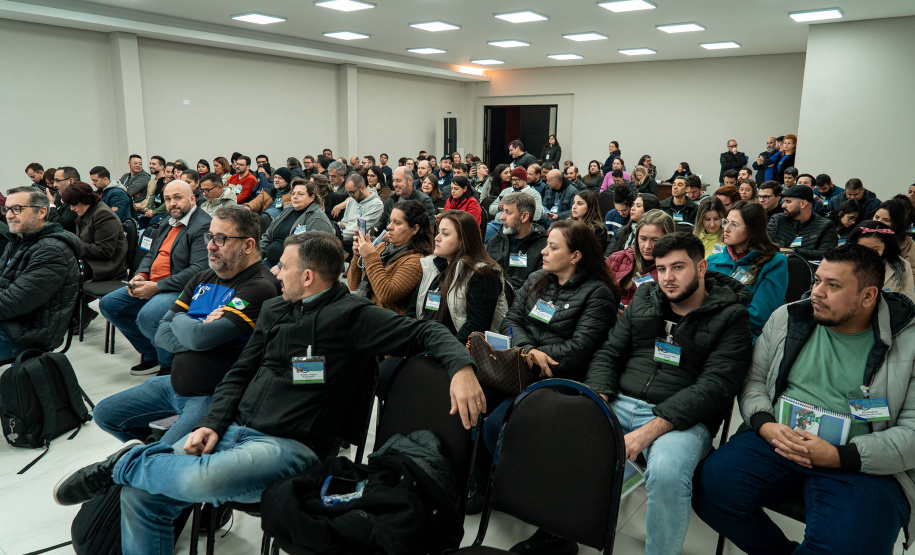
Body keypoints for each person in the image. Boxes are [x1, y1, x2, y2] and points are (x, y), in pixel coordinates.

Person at [53, 231, 486, 555]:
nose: (275, 271)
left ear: (309, 276)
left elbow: (426, 329)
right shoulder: (277, 308)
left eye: (284, 266)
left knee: (199, 477)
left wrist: (461, 366)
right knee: (142, 495)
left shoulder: (352, 316)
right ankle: (130, 468)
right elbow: (240, 372)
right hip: (236, 430)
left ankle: (123, 462)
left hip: (291, 447)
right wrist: (212, 423)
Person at [693, 244, 915, 555]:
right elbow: (754, 380)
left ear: (868, 296)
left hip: (862, 461)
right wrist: (765, 424)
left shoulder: (908, 342)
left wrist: (840, 456)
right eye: (816, 281)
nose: (816, 293)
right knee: (708, 490)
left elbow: (911, 434)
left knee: (851, 545)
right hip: (778, 439)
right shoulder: (789, 318)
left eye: (833, 285)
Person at [587, 232, 752, 555]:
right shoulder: (645, 299)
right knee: (567, 430)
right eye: (661, 269)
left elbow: (715, 387)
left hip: (683, 419)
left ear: (702, 267)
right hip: (620, 401)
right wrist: (599, 399)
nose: (668, 278)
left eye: (678, 267)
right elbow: (609, 354)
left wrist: (649, 430)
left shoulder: (731, 316)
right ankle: (560, 530)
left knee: (665, 472)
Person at [470, 220, 621, 527]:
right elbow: (510, 321)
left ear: (576, 256)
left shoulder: (598, 294)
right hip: (518, 367)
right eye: (546, 244)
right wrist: (528, 351)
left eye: (553, 247)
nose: (544, 251)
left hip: (557, 380)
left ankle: (507, 488)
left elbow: (578, 349)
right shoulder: (539, 278)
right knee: (472, 404)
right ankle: (480, 485)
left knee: (496, 425)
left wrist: (538, 356)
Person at [93, 206, 280, 450]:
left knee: (163, 456)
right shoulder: (202, 278)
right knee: (105, 414)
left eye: (221, 239)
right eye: (210, 237)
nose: (210, 246)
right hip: (173, 385)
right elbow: (161, 333)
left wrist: (188, 326)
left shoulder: (260, 286)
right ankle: (148, 448)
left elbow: (199, 338)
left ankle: (151, 456)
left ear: (248, 245)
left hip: (210, 396)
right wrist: (197, 329)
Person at [99, 181, 211, 376]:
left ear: (192, 198)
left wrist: (157, 287)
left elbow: (198, 271)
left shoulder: (203, 225)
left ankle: (169, 364)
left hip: (180, 288)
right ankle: (151, 353)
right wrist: (141, 275)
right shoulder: (170, 220)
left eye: (178, 198)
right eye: (168, 199)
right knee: (110, 305)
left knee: (148, 317)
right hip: (155, 282)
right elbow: (152, 254)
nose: (172, 203)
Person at [0, 186, 81, 358]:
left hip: (26, 333)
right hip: (13, 321)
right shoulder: (18, 239)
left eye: (17, 209)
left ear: (42, 212)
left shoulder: (51, 251)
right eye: (7, 209)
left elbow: (12, 302)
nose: (8, 215)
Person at [409, 210, 509, 344]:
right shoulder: (432, 266)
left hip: (455, 351)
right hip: (424, 341)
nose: (436, 238)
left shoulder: (484, 274)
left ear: (462, 241)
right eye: (438, 232)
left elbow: (475, 328)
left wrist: (440, 351)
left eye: (445, 234)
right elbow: (413, 310)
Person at [708, 201, 788, 340]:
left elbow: (760, 315)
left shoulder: (774, 262)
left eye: (734, 225)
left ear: (752, 231)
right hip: (707, 332)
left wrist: (714, 322)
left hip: (744, 336)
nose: (726, 229)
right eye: (726, 222)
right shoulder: (712, 261)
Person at [348, 200, 432, 314]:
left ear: (415, 229)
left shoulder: (417, 260)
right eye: (390, 221)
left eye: (397, 223)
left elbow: (386, 294)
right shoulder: (383, 247)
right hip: (366, 311)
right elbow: (353, 284)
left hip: (388, 322)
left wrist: (370, 255)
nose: (389, 227)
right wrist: (358, 255)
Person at [61, 181, 127, 283]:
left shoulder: (103, 214)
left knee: (61, 274)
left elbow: (105, 251)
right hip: (91, 261)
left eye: (74, 204)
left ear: (84, 199)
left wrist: (74, 244)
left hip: (105, 267)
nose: (72, 208)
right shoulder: (86, 211)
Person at [260, 178, 335, 266]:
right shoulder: (287, 211)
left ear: (312, 197)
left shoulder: (317, 219)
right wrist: (257, 256)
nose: (295, 196)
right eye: (293, 193)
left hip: (294, 269)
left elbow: (310, 253)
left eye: (300, 194)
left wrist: (281, 267)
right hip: (269, 262)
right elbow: (268, 236)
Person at [608, 209, 674, 307]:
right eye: (642, 239)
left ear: (668, 239)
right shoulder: (616, 259)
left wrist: (631, 312)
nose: (647, 246)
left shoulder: (673, 269)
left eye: (655, 240)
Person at [486, 192, 547, 292]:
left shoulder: (543, 248)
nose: (502, 217)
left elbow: (537, 287)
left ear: (524, 217)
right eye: (503, 212)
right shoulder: (496, 240)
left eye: (508, 212)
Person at [847, 222, 915, 301]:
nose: (869, 253)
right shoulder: (845, 263)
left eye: (875, 249)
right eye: (862, 248)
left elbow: (909, 298)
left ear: (886, 246)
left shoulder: (902, 265)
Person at [767, 185, 838, 260]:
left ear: (803, 203)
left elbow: (827, 253)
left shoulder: (825, 225)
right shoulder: (777, 219)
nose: (783, 206)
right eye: (783, 201)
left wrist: (795, 252)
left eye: (788, 202)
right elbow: (765, 246)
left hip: (809, 269)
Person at [485, 167, 544, 242]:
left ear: (524, 179)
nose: (514, 182)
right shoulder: (506, 191)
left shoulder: (533, 194)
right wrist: (499, 207)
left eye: (517, 180)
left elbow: (537, 215)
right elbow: (491, 209)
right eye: (512, 180)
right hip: (497, 224)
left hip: (517, 226)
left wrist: (518, 209)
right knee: (480, 235)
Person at [376, 167, 436, 234]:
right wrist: (375, 229)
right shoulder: (391, 198)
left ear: (410, 181)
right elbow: (382, 221)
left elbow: (428, 231)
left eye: (398, 181)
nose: (395, 184)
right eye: (393, 180)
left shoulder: (423, 201)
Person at [339, 174, 385, 254]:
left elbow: (360, 228)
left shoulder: (376, 204)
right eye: (348, 192)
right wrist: (339, 226)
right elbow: (345, 221)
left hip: (359, 240)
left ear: (362, 188)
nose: (350, 195)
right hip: (345, 236)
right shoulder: (352, 200)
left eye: (352, 192)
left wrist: (339, 235)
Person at [871, 198, 915, 270]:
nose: (879, 222)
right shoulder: (864, 237)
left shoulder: (908, 244)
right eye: (877, 217)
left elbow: (912, 272)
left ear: (897, 223)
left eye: (886, 220)